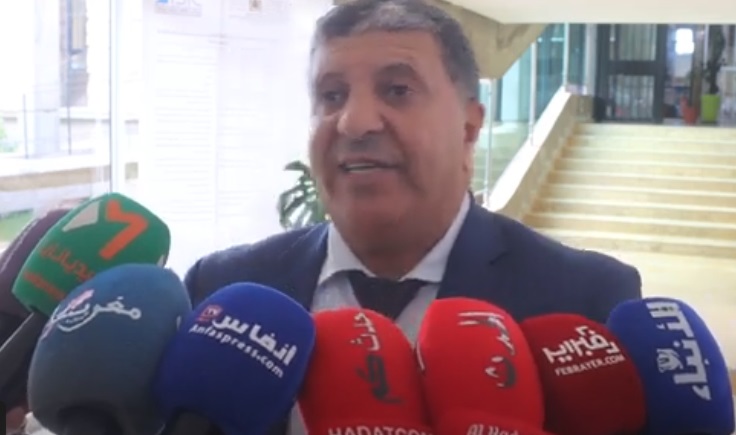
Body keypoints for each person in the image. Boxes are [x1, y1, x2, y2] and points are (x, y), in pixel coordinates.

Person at [185, 0, 641, 434]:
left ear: (469, 127)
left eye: (397, 90)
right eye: (332, 95)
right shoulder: (221, 289)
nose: (354, 122)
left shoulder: (584, 301)